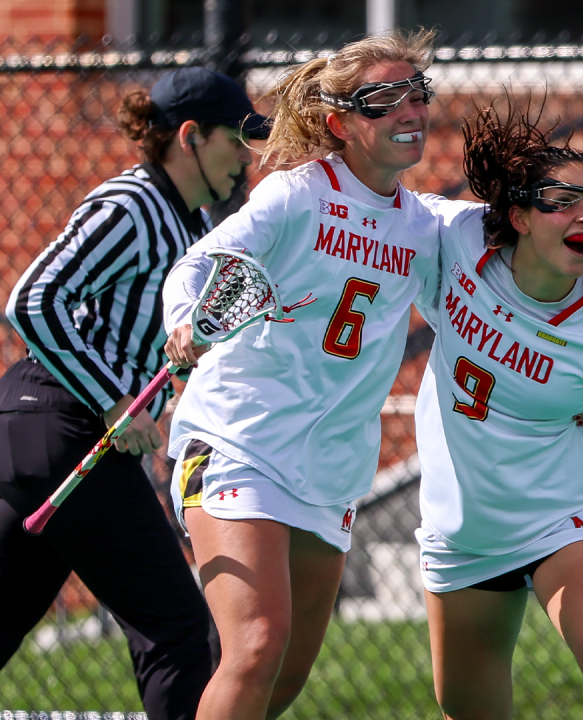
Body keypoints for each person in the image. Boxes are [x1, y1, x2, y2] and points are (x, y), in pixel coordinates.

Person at [160, 30, 443, 720]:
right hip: (240, 441)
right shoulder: (295, 196)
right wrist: (184, 322)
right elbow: (197, 268)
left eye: (419, 95)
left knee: (281, 679)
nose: (410, 112)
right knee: (256, 646)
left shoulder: (424, 229)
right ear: (342, 123)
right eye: (385, 100)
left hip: (332, 470)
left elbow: (500, 293)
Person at [0, 67, 268, 719]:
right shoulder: (133, 207)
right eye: (237, 140)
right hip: (63, 429)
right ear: (190, 136)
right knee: (181, 636)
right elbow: (33, 300)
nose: (246, 157)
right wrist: (116, 402)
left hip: (45, 434)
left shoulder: (190, 226)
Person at [412, 101, 583, 720]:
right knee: (467, 706)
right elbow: (373, 208)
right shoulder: (453, 240)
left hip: (566, 515)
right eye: (563, 199)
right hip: (466, 531)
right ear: (518, 215)